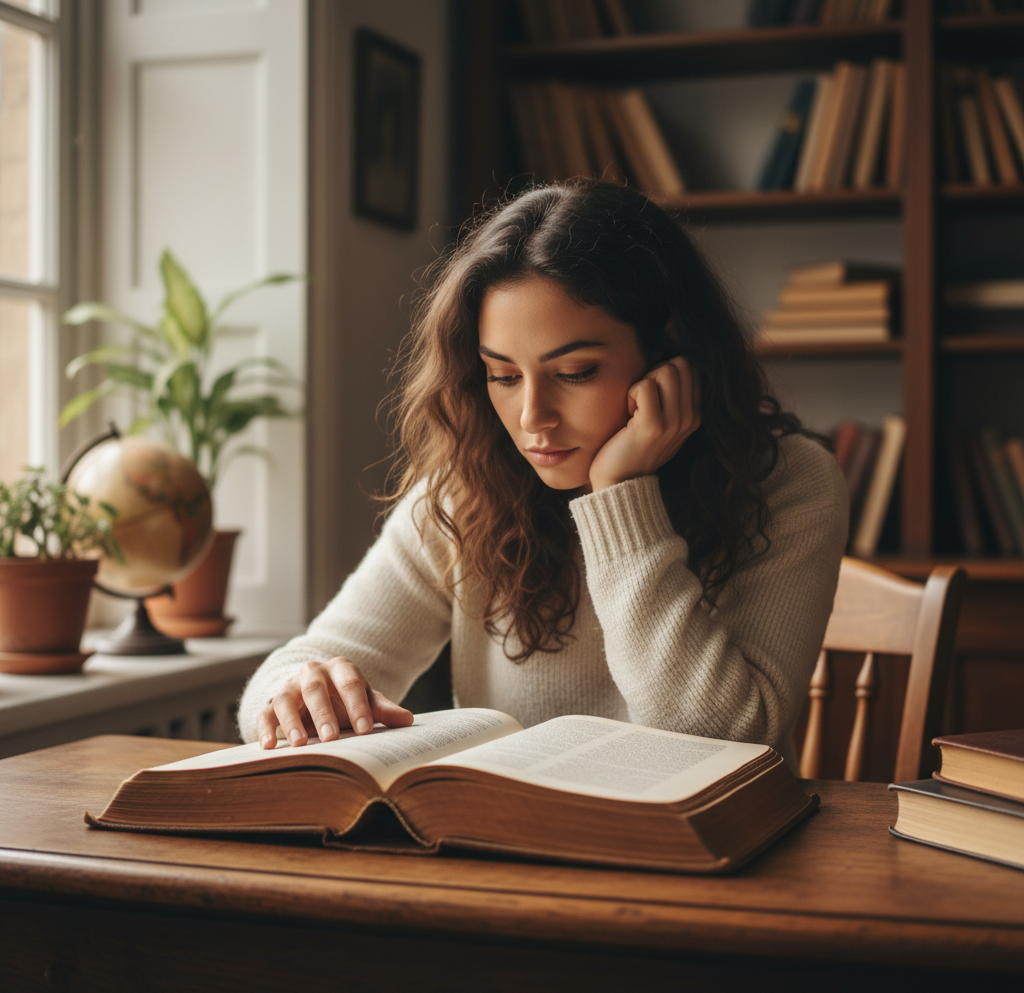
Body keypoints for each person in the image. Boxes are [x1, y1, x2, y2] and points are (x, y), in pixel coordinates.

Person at [238, 179, 848, 768]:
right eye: (503, 375)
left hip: (708, 859)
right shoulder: (468, 486)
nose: (533, 418)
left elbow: (722, 740)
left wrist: (622, 496)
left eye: (575, 372)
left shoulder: (790, 482)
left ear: (669, 352)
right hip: (507, 852)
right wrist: (300, 687)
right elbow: (284, 679)